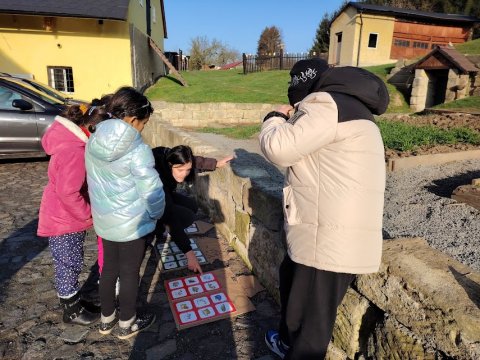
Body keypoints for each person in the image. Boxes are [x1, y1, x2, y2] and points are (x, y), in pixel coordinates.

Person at [259, 58, 389, 359]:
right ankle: (287, 344)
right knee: (299, 301)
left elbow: (279, 148)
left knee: (312, 328)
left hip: (326, 237)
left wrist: (274, 118)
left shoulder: (325, 103)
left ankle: (295, 349)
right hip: (333, 231)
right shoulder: (353, 108)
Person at [85, 86, 165, 340]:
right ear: (132, 120)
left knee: (108, 269)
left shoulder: (93, 139)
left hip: (105, 220)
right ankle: (127, 322)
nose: (143, 129)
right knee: (130, 272)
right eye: (143, 124)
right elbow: (152, 190)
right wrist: (156, 214)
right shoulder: (137, 150)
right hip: (132, 224)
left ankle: (107, 319)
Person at [37, 102, 109, 326]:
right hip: (63, 219)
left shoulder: (71, 144)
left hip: (62, 215)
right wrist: (88, 214)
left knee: (71, 260)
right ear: (92, 129)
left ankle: (74, 301)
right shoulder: (75, 151)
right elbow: (69, 192)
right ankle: (71, 310)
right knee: (68, 263)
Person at [152, 145, 233, 273]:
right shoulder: (156, 177)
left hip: (166, 193)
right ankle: (158, 228)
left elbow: (192, 160)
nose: (184, 174)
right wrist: (189, 254)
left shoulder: (170, 155)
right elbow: (170, 215)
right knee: (184, 216)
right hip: (145, 205)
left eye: (187, 170)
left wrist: (215, 163)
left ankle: (164, 227)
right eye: (180, 170)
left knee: (192, 206)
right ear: (170, 164)